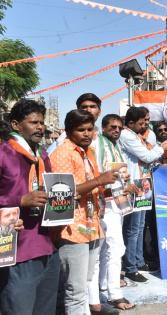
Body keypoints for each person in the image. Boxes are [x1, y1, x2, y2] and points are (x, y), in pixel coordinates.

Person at [50, 110, 120, 315]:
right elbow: (61, 194)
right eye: (81, 130)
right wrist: (99, 181)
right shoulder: (62, 154)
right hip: (71, 229)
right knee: (75, 290)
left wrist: (109, 185)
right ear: (69, 131)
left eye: (90, 129)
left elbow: (91, 186)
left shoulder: (87, 152)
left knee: (86, 282)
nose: (87, 134)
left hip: (91, 224)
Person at [0, 99, 59, 315]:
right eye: (34, 122)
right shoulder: (3, 153)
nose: (40, 127)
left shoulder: (42, 155)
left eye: (42, 123)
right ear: (16, 125)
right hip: (17, 250)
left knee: (45, 309)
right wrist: (19, 201)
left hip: (46, 245)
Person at [87, 114, 135, 313]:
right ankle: (107, 296)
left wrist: (127, 184)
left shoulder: (114, 146)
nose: (116, 130)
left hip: (116, 204)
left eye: (119, 127)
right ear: (104, 128)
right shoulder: (98, 143)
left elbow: (116, 176)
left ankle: (104, 290)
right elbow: (95, 175)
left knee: (112, 250)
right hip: (103, 203)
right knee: (106, 250)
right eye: (112, 127)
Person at [119, 106, 167, 282]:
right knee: (133, 228)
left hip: (143, 184)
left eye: (147, 121)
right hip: (134, 184)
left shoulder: (137, 135)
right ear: (131, 122)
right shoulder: (126, 136)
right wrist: (162, 148)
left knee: (140, 227)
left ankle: (138, 261)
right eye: (142, 122)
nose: (145, 125)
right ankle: (131, 267)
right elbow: (148, 156)